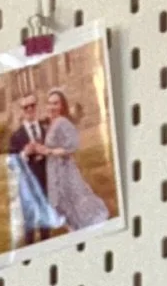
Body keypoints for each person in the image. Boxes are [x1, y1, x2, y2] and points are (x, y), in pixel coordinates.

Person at [39, 89, 112, 234]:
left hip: (64, 169)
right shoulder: (53, 122)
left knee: (74, 197)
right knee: (61, 201)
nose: (52, 106)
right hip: (54, 168)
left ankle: (87, 224)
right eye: (49, 103)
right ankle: (75, 227)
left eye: (55, 103)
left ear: (62, 105)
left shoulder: (63, 121)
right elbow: (54, 145)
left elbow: (72, 147)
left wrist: (49, 152)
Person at [5, 91, 61, 246]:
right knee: (30, 223)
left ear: (36, 107)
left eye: (32, 106)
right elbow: (11, 164)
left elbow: (55, 152)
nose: (29, 110)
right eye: (25, 107)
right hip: (27, 184)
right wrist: (24, 153)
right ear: (21, 110)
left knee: (45, 222)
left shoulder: (45, 129)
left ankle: (46, 245)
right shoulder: (16, 136)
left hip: (45, 179)